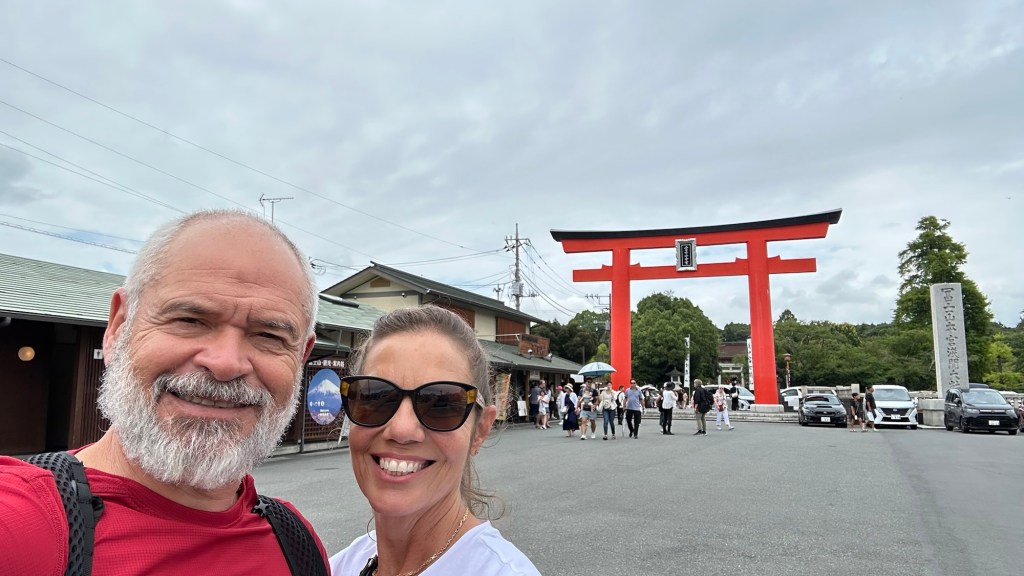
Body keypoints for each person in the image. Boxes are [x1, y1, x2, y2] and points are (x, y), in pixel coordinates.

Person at [0, 210, 330, 575]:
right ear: (118, 328)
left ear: (301, 357)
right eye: (189, 320)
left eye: (269, 336)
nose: (225, 363)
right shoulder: (19, 523)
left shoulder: (296, 543)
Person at [330, 306, 540, 576]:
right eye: (375, 397)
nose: (402, 429)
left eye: (441, 403)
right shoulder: (337, 566)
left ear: (481, 429)